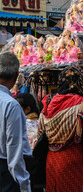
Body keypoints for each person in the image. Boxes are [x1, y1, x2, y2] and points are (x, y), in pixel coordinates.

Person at [0, 52, 32, 191]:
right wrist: (24, 186)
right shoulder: (11, 105)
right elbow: (14, 151)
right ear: (15, 76)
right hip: (6, 174)